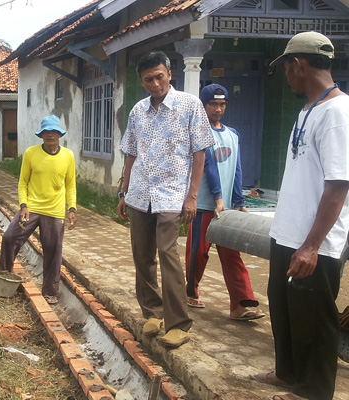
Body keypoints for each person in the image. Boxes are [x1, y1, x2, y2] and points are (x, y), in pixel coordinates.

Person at [251, 32, 349, 400]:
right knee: (284, 305)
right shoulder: (309, 108)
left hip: (315, 242)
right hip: (288, 232)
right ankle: (288, 372)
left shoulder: (339, 113)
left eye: (287, 69)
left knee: (314, 317)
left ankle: (314, 390)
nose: (287, 77)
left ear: (299, 65)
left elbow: (338, 186)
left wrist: (311, 245)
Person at [117, 51, 214, 348]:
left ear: (170, 74)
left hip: (172, 196)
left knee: (167, 254)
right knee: (142, 255)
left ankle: (179, 323)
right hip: (139, 195)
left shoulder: (190, 105)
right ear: (142, 81)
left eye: (160, 76)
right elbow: (131, 154)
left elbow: (200, 153)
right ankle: (153, 312)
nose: (155, 83)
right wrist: (124, 191)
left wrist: (192, 196)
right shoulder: (137, 111)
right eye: (149, 79)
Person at [185, 84, 265, 321]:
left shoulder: (233, 135)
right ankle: (190, 291)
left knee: (232, 254)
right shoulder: (199, 133)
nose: (218, 109)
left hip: (226, 209)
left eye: (222, 105)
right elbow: (208, 165)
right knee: (197, 253)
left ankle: (241, 304)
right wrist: (218, 197)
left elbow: (237, 169)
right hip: (203, 206)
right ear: (203, 106)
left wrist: (238, 200)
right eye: (213, 104)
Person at [0, 115, 77, 304]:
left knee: (53, 252)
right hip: (31, 208)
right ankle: (3, 276)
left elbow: (71, 185)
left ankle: (50, 291)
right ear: (41, 135)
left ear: (59, 134)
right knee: (9, 237)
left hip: (55, 211)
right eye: (46, 132)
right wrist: (23, 206)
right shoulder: (31, 153)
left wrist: (71, 208)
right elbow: (23, 182)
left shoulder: (68, 156)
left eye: (53, 132)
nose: (50, 135)